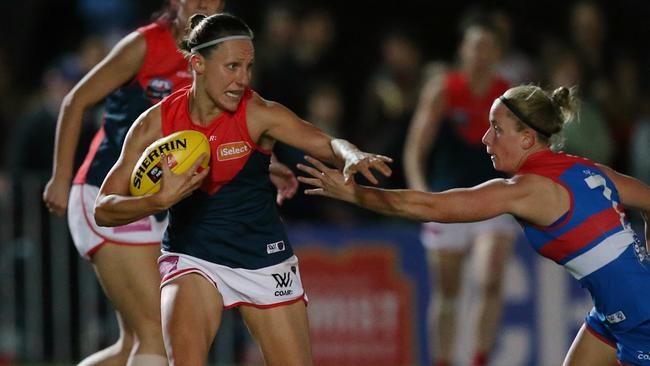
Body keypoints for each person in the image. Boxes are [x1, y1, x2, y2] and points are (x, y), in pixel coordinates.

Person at [93, 13, 392, 365]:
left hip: (262, 257)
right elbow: (103, 208)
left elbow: (327, 143)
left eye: (248, 67)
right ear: (197, 63)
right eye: (232, 66)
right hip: (192, 255)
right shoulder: (155, 124)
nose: (243, 79)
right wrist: (158, 200)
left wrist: (351, 154)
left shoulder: (259, 113)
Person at [298, 84, 650, 366]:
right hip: (616, 309)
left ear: (527, 138)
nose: (485, 138)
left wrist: (355, 195)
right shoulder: (585, 168)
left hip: (638, 315)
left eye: (496, 129)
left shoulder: (525, 190)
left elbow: (427, 205)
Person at [42, 2, 297, 365]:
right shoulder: (145, 45)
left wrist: (262, 164)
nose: (205, 5)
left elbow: (213, 133)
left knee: (134, 344)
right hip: (105, 194)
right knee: (156, 338)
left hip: (155, 204)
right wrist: (60, 177)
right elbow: (76, 99)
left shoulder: (215, 59)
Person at [402, 15, 517, 366]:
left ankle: (479, 358)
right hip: (447, 201)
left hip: (493, 201)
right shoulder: (443, 90)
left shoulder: (507, 95)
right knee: (448, 294)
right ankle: (443, 360)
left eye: (488, 47)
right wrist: (421, 195)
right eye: (474, 46)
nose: (480, 54)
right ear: (462, 51)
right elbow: (415, 149)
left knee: (490, 280)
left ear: (498, 53)